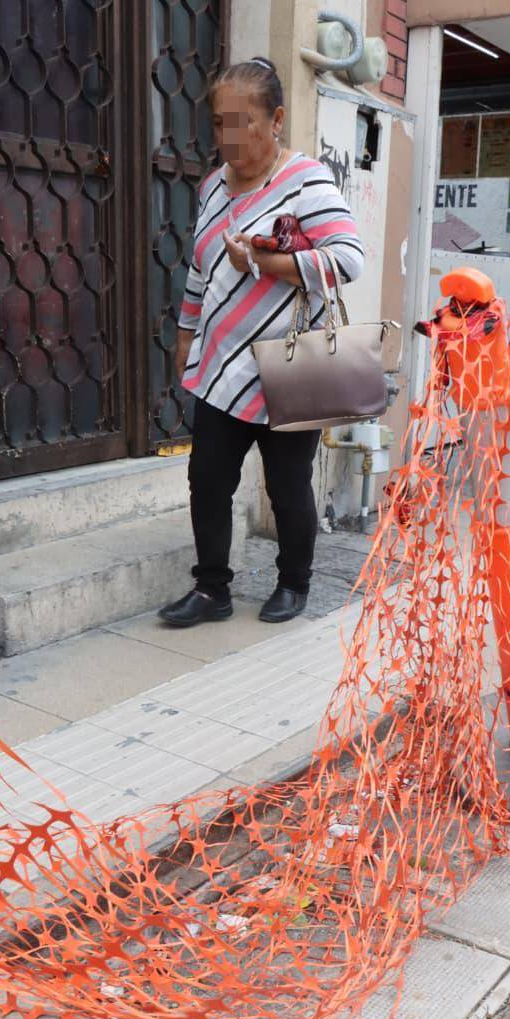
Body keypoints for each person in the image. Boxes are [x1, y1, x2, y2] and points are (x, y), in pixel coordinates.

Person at [158, 57, 364, 628]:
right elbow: (200, 269)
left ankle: (294, 582)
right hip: (223, 365)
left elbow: (348, 260)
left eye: (243, 121)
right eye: (220, 122)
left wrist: (266, 261)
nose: (230, 135)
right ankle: (211, 590)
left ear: (275, 120)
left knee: (287, 487)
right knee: (208, 481)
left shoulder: (307, 180)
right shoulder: (211, 188)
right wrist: (185, 332)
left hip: (290, 365)